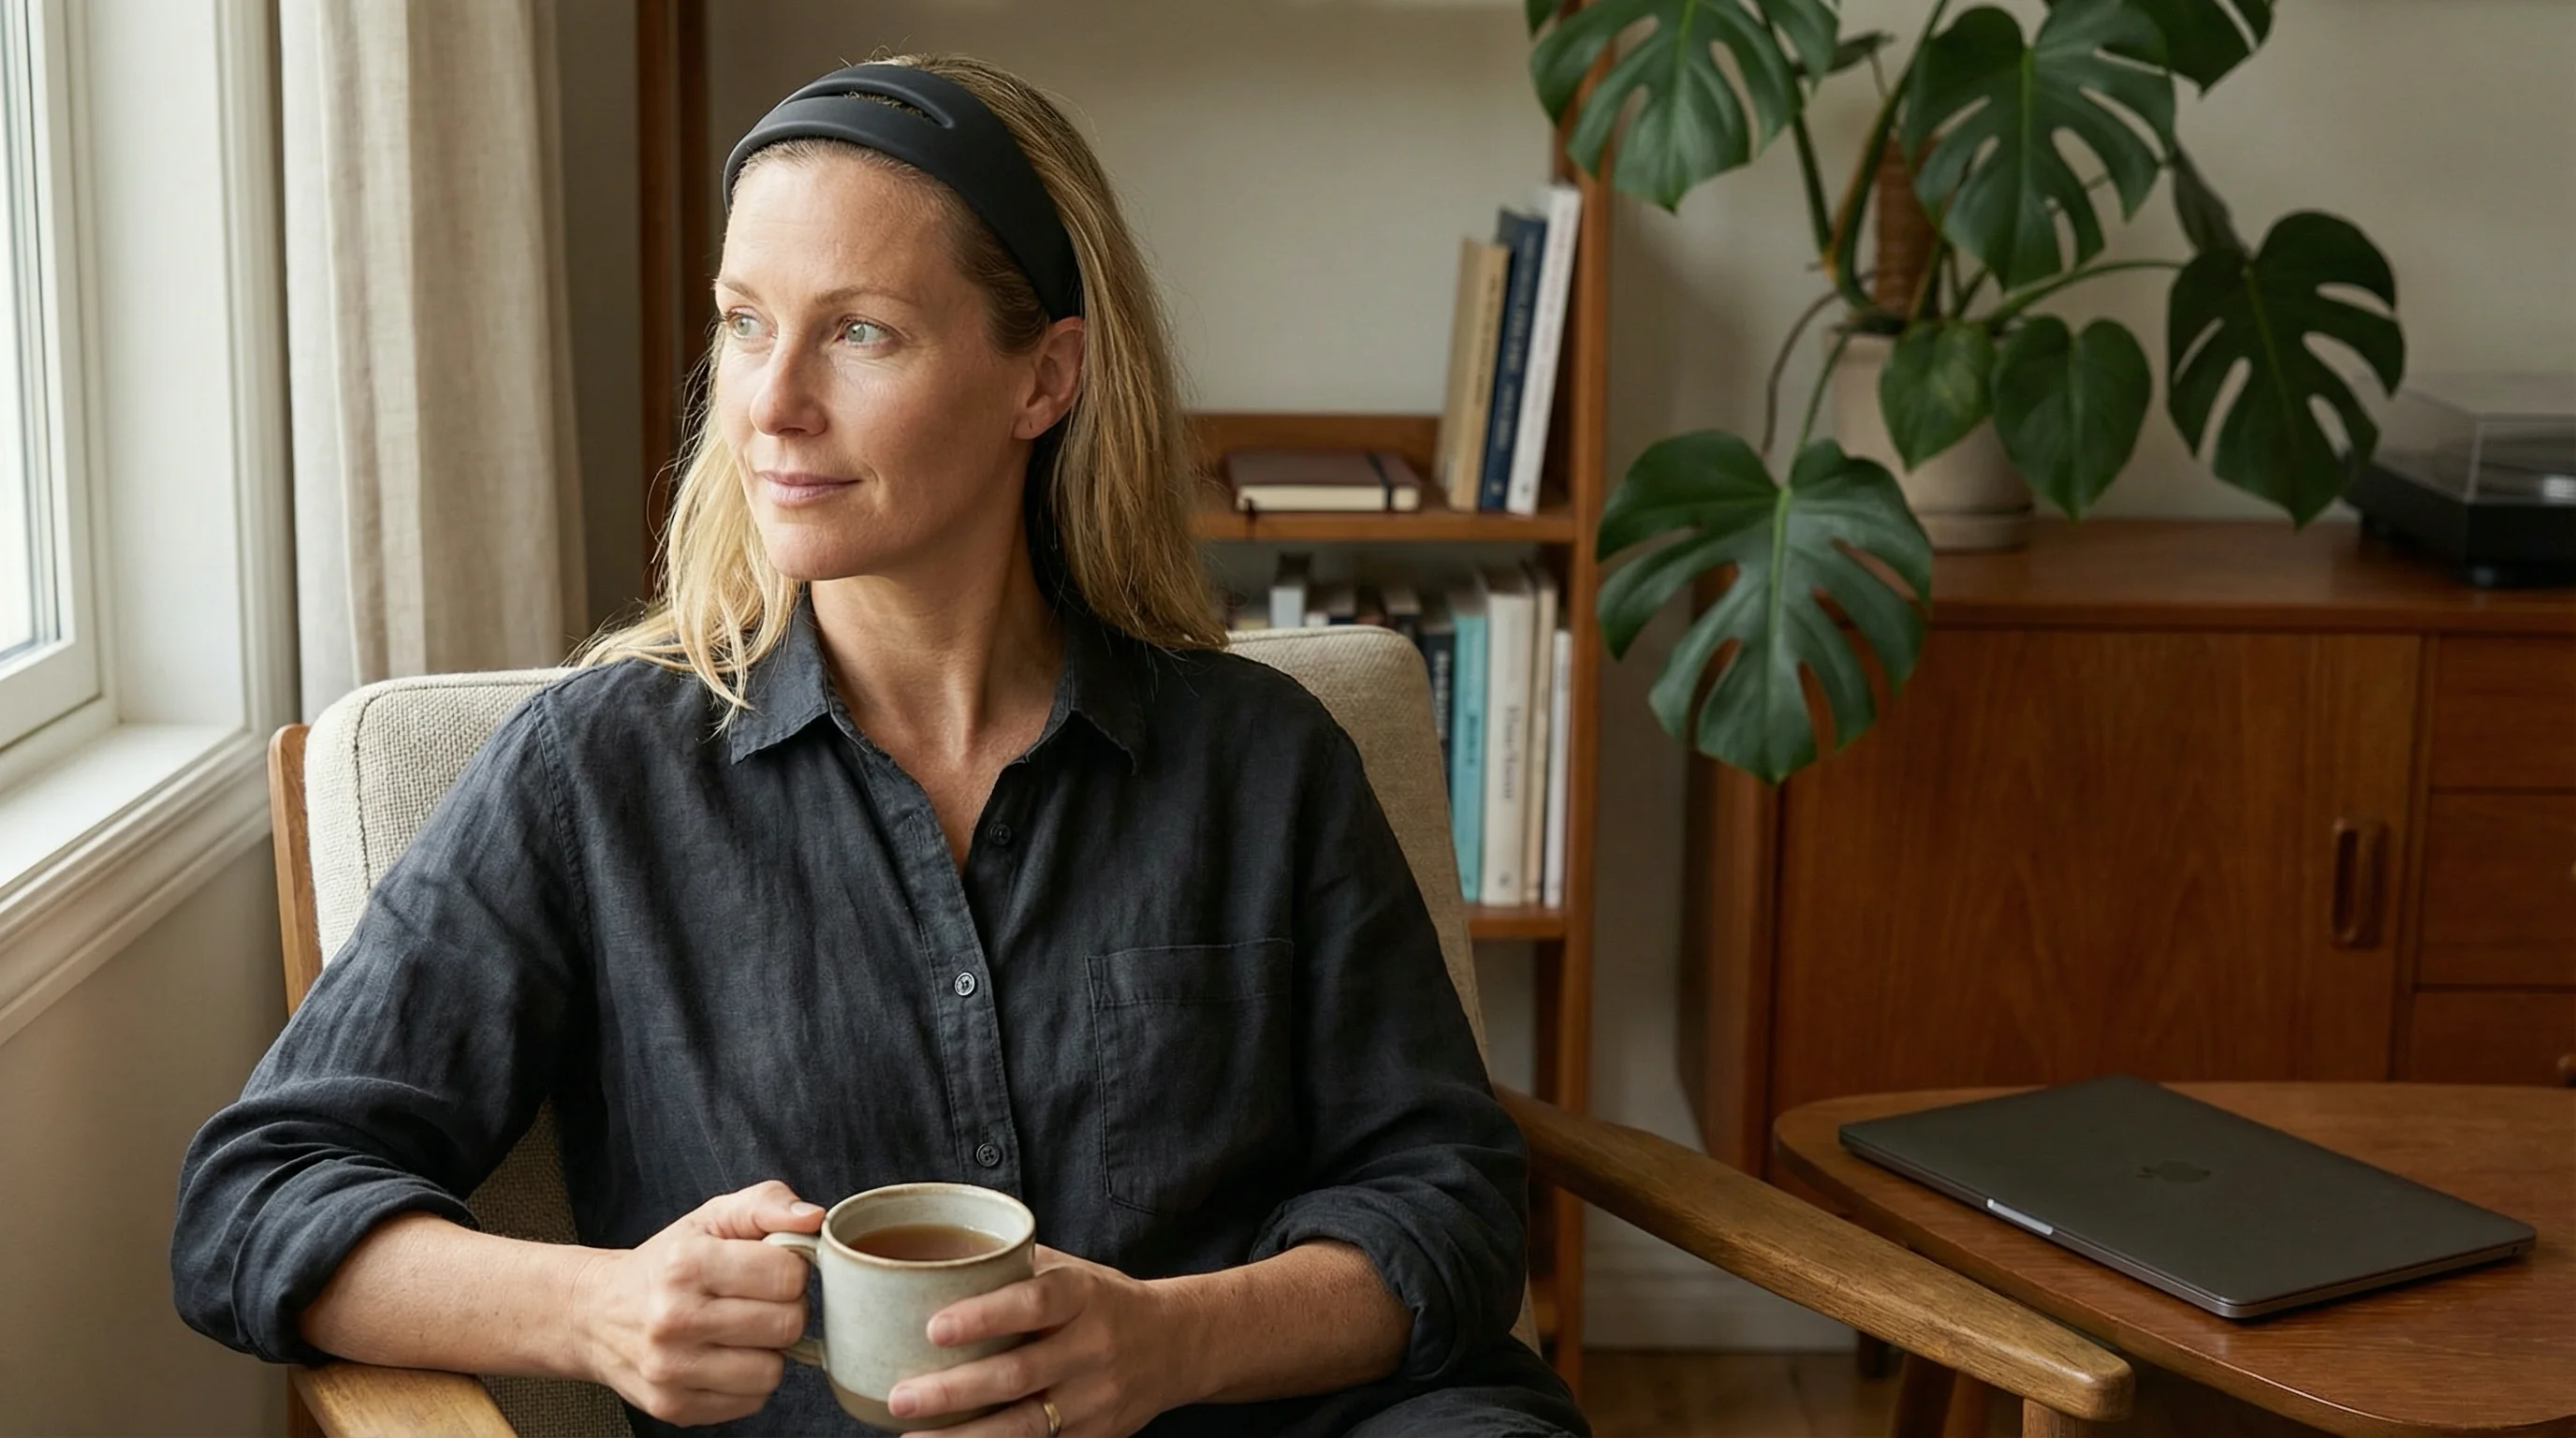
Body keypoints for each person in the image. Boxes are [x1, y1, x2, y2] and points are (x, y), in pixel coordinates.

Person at [171, 52, 1587, 1438]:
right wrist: (594, 1307)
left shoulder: (1263, 763)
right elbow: (256, 1198)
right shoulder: (594, 775)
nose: (770, 404)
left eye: (861, 332)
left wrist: (1172, 1342)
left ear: (1045, 379)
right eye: (742, 321)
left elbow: (1449, 1203)